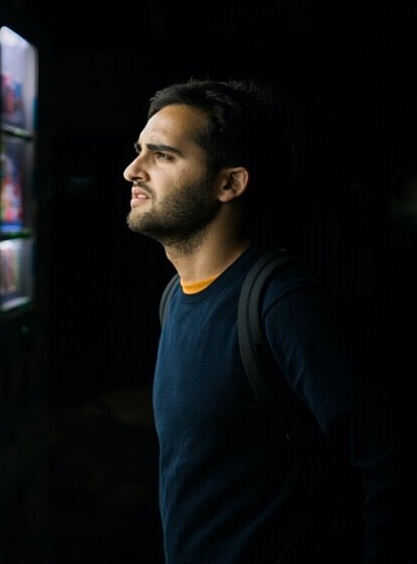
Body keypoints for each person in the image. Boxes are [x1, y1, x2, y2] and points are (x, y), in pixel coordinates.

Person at [123, 79, 412, 563]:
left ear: (230, 184)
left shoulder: (282, 304)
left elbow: (394, 463)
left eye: (163, 155)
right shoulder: (175, 297)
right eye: (139, 152)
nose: (133, 170)